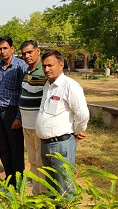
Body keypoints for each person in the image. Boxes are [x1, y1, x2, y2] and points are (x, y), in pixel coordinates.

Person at [35, 50, 89, 199]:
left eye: (50, 65)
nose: (46, 69)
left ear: (61, 64)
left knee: (64, 188)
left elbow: (82, 114)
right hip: (45, 144)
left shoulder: (70, 86)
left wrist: (78, 131)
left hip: (61, 144)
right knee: (51, 186)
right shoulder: (48, 85)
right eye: (44, 66)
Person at [0, 36, 27, 188]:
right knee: (4, 149)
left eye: (5, 48)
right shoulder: (0, 67)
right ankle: (9, 180)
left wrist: (18, 117)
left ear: (12, 49)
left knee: (16, 150)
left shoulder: (20, 66)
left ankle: (18, 184)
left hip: (13, 113)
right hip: (0, 113)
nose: (2, 51)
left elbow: (23, 92)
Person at [19, 40, 47, 195]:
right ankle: (35, 194)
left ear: (38, 51)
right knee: (33, 162)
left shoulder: (44, 72)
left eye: (30, 52)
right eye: (24, 54)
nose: (27, 56)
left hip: (38, 126)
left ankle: (43, 195)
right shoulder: (28, 72)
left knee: (41, 163)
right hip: (27, 125)